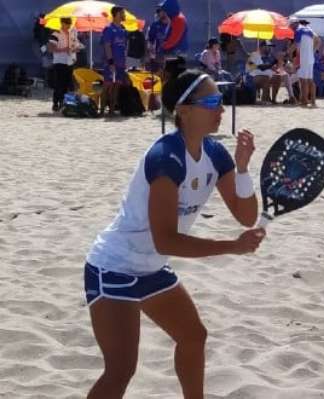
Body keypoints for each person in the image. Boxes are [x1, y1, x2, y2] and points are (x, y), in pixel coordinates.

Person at [84, 69, 266, 398]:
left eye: (221, 101)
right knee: (121, 369)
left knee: (193, 336)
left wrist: (242, 168)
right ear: (183, 111)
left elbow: (246, 216)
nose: (221, 110)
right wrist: (231, 248)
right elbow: (166, 240)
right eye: (212, 102)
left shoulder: (215, 153)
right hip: (114, 267)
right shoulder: (165, 158)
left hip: (151, 268)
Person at [48, 17, 83, 112]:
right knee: (59, 84)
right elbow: (50, 49)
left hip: (70, 62)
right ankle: (55, 103)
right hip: (59, 62)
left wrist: (76, 49)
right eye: (67, 24)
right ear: (62, 23)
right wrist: (64, 49)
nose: (68, 26)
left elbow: (76, 46)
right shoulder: (56, 34)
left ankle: (64, 103)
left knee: (68, 84)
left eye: (70, 24)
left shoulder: (72, 34)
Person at [101, 6, 129, 116]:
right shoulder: (109, 29)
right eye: (123, 13)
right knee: (107, 87)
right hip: (111, 64)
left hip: (121, 64)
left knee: (116, 88)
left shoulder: (123, 29)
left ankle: (112, 111)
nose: (124, 15)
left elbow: (124, 47)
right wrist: (111, 62)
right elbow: (107, 46)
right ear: (117, 14)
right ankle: (102, 111)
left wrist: (124, 62)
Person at [291, 19, 319, 107]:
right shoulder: (310, 30)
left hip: (304, 58)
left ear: (295, 24)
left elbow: (295, 45)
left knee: (303, 80)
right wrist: (312, 51)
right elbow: (318, 40)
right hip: (310, 58)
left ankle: (304, 101)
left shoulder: (299, 30)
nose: (291, 28)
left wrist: (288, 52)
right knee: (310, 80)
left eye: (291, 25)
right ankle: (313, 101)